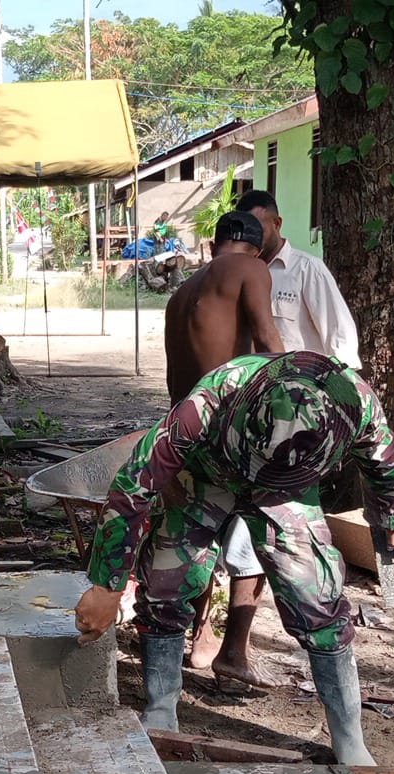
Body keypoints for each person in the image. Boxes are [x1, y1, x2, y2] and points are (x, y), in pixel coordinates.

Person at [72, 352, 394, 765]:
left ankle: (349, 739)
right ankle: (161, 708)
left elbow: (385, 459)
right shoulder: (208, 403)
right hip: (209, 472)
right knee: (167, 579)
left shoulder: (354, 402)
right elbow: (133, 486)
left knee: (316, 595)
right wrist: (107, 584)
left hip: (285, 488)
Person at [162, 211, 286, 689]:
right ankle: (233, 651)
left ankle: (200, 634)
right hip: (230, 430)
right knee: (253, 535)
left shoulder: (181, 293)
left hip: (185, 429)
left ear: (214, 245)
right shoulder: (251, 268)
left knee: (198, 538)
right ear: (257, 250)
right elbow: (269, 342)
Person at [234, 190, 361, 371]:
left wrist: (339, 381)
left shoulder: (307, 269)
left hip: (302, 383)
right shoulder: (240, 274)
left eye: (258, 230)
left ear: (277, 224)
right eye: (247, 232)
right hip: (252, 383)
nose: (253, 238)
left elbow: (339, 335)